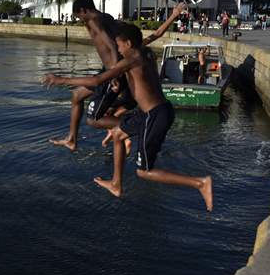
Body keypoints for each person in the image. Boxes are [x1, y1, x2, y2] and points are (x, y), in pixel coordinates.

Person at [43, 23, 213, 210]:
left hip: (154, 116)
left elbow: (97, 80)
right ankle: (116, 185)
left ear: (129, 43)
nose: (118, 49)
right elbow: (153, 38)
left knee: (144, 172)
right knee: (117, 134)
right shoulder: (145, 52)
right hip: (151, 111)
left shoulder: (130, 60)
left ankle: (200, 183)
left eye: (120, 45)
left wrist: (61, 80)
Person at [48, 0, 120, 151]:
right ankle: (72, 139)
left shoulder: (93, 21)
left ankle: (129, 127)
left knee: (93, 119)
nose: (80, 20)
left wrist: (114, 72)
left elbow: (112, 45)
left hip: (111, 71)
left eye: (79, 16)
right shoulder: (106, 17)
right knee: (76, 96)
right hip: (107, 69)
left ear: (83, 10)